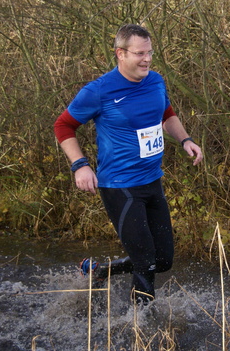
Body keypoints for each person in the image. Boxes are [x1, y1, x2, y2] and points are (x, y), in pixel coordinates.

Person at [53, 24, 203, 304]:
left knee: (163, 260)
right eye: (139, 54)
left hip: (152, 181)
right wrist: (80, 165)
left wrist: (185, 140)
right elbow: (63, 126)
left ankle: (101, 271)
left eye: (150, 52)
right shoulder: (99, 91)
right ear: (120, 54)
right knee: (145, 261)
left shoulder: (155, 81)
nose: (147, 59)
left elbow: (167, 113)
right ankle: (141, 327)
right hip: (120, 186)